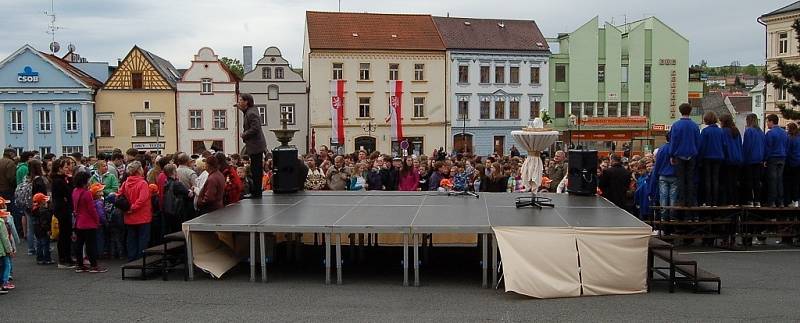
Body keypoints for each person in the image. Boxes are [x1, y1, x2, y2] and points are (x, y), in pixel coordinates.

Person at [71, 171, 106, 273]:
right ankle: (94, 265)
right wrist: (97, 220)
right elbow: (92, 210)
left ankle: (80, 264)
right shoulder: (86, 193)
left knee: (79, 244)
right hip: (88, 222)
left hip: (79, 221)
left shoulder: (75, 191)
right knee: (91, 245)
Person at [118, 161, 152, 261]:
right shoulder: (142, 183)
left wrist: (127, 209)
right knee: (143, 239)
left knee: (131, 238)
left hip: (129, 217)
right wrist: (132, 208)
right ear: (138, 170)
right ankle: (140, 260)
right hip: (143, 216)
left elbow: (119, 196)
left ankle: (131, 258)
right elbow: (142, 200)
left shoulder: (125, 183)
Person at [670, 103, 701, 207]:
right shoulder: (695, 126)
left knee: (680, 179)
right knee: (690, 179)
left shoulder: (676, 125)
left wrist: (671, 155)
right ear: (690, 111)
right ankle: (691, 201)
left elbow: (673, 141)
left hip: (679, 155)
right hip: (692, 154)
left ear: (680, 111)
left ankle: (682, 201)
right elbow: (698, 141)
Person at [237, 93, 268, 198]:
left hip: (255, 146)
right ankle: (256, 191)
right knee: (255, 169)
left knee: (256, 170)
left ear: (246, 102)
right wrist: (240, 108)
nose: (239, 102)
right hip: (256, 145)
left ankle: (257, 192)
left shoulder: (251, 113)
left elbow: (255, 128)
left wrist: (244, 134)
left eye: (240, 100)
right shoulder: (250, 111)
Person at [51, 157, 75, 268]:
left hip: (65, 208)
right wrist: (70, 181)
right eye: (66, 167)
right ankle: (63, 259)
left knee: (67, 234)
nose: (68, 169)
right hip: (62, 210)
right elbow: (68, 193)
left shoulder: (62, 179)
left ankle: (68, 257)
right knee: (64, 235)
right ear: (59, 168)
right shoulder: (58, 181)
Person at [698, 111, 724, 206]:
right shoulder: (721, 131)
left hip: (707, 157)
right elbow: (724, 144)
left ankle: (708, 201)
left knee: (707, 179)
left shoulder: (705, 131)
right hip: (719, 157)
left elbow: (702, 146)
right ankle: (715, 201)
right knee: (715, 179)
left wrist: (699, 159)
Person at [650, 132, 677, 221]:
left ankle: (663, 217)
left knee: (663, 197)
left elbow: (657, 164)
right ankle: (672, 216)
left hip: (662, 176)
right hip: (674, 175)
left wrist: (655, 176)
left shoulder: (661, 149)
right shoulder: (675, 149)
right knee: (673, 197)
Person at [764, 114, 789, 208]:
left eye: (767, 122)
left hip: (773, 158)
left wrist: (765, 159)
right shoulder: (784, 133)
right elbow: (787, 146)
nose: (767, 124)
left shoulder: (770, 133)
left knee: (772, 180)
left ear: (771, 122)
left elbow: (768, 148)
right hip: (782, 158)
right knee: (779, 179)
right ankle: (781, 201)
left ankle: (772, 201)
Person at [161, 164, 193, 234]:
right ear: (174, 172)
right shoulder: (177, 184)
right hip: (178, 210)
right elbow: (188, 194)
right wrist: (191, 190)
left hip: (169, 210)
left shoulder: (166, 183)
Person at [742, 113, 765, 207]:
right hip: (759, 159)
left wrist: (744, 158)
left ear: (748, 120)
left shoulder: (748, 131)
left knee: (749, 181)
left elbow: (746, 146)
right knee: (757, 181)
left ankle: (750, 200)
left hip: (750, 159)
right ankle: (757, 201)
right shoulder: (761, 132)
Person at [720, 113, 743, 206]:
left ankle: (729, 202)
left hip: (728, 159)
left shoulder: (723, 131)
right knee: (734, 182)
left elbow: (723, 145)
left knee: (727, 182)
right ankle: (735, 202)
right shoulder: (736, 131)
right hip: (737, 159)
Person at [31, 193, 53, 264]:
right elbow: (45, 222)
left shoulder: (34, 210)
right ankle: (47, 259)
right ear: (42, 201)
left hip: (37, 230)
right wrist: (48, 230)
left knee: (38, 244)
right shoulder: (43, 211)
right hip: (43, 230)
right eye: (44, 200)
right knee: (46, 244)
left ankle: (39, 259)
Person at [0, 209, 15, 293]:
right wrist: (9, 250)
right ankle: (4, 283)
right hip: (2, 250)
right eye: (4, 216)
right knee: (5, 266)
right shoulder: (1, 223)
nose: (6, 218)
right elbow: (5, 239)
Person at [786, 122, 800, 207]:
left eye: (787, 129)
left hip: (792, 163)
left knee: (790, 183)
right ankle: (797, 200)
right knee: (797, 182)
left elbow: (788, 151)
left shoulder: (790, 139)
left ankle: (792, 201)